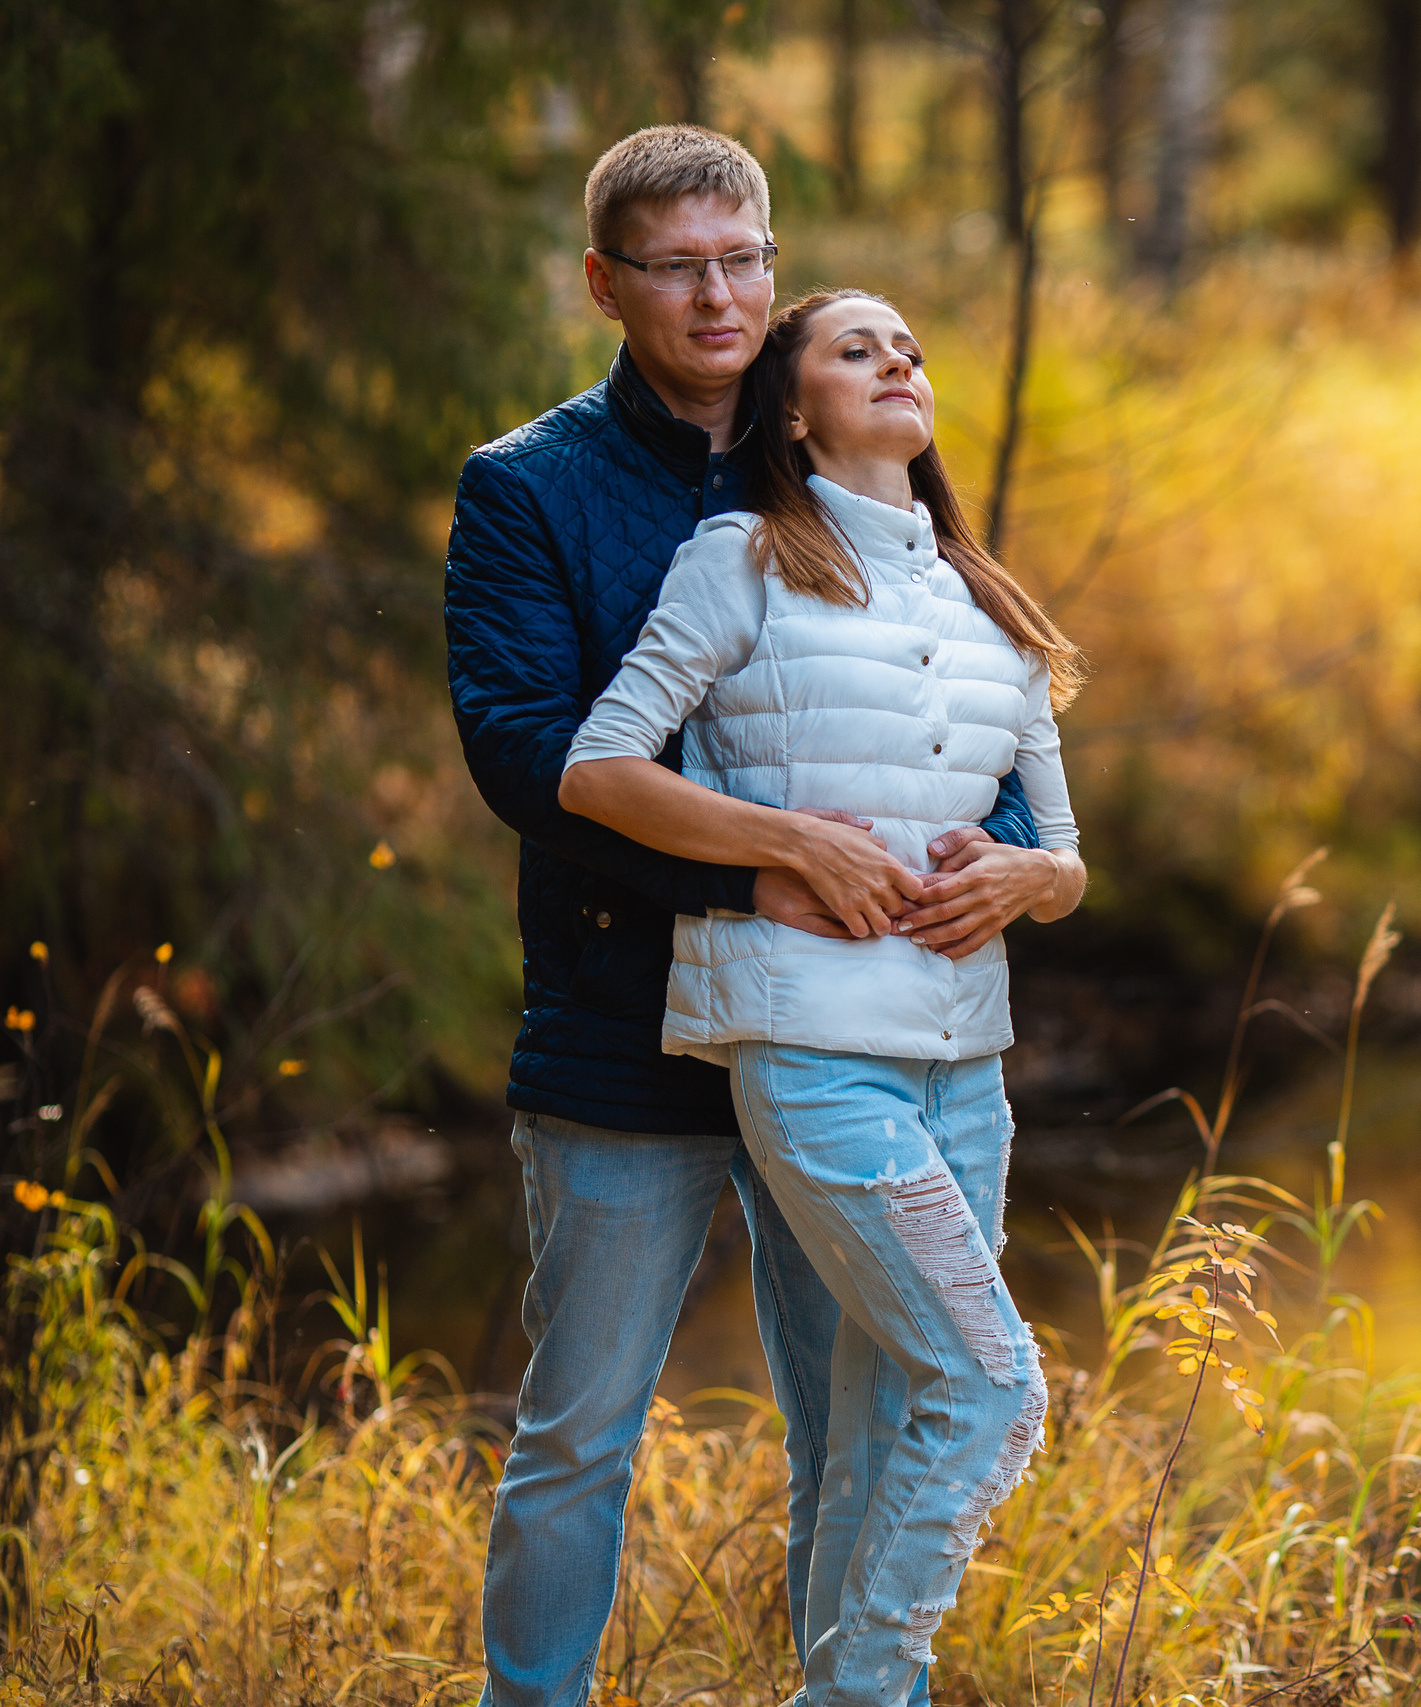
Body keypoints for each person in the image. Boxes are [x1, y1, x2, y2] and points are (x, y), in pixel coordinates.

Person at [443, 127, 1038, 1707]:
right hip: (619, 1020)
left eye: (743, 259)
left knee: (852, 1422)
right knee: (580, 1432)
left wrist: (1022, 858)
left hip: (839, 1030)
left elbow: (965, 723)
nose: (719, 294)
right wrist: (750, 871)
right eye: (678, 265)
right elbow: (524, 749)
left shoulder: (847, 451)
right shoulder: (530, 488)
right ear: (606, 285)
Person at [556, 284, 1085, 1705]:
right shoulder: (739, 561)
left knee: (888, 1417)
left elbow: (1069, 854)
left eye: (910, 344)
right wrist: (782, 843)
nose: (901, 358)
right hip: (810, 1049)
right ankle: (860, 1693)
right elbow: (599, 772)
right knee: (993, 1388)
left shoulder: (993, 604)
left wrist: (1029, 886)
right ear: (796, 410)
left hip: (963, 1065)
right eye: (860, 349)